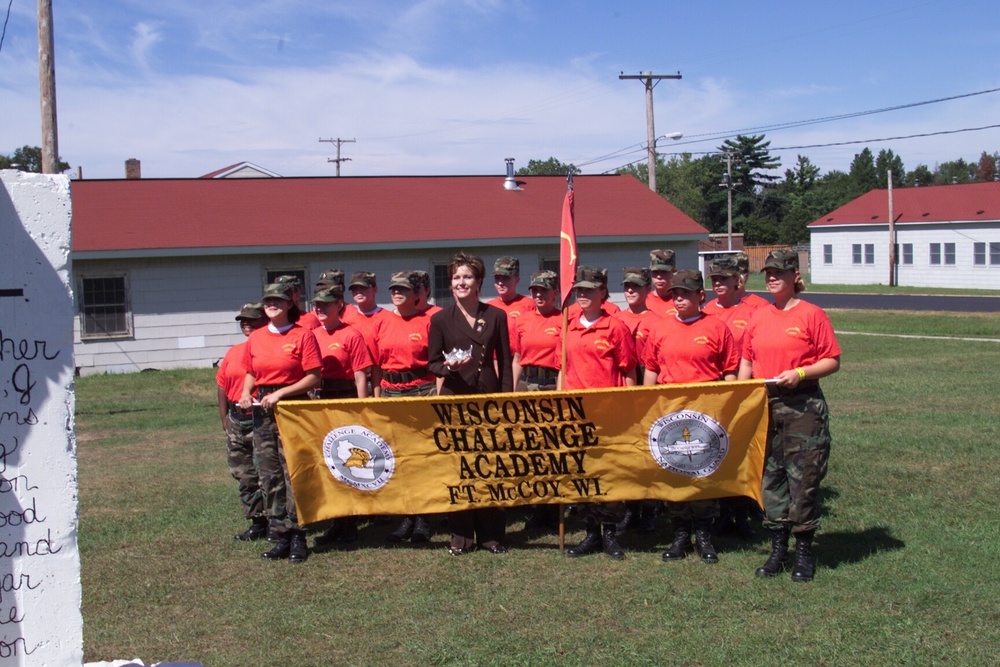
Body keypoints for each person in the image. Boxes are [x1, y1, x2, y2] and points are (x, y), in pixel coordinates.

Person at [738, 249, 841, 582]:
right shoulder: (758, 316)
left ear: (794, 276)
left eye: (779, 273)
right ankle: (778, 550)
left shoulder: (812, 315)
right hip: (765, 406)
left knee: (804, 480)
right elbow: (747, 362)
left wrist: (800, 372)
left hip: (802, 406)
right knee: (772, 478)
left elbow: (832, 361)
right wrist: (740, 394)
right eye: (768, 272)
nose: (771, 278)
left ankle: (804, 552)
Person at [643, 269, 740, 564]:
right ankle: (680, 533)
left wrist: (729, 407)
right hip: (669, 409)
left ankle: (704, 535)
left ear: (701, 296)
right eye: (676, 294)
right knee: (674, 469)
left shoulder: (717, 328)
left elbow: (730, 372)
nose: (679, 299)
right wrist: (647, 405)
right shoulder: (660, 327)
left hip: (706, 409)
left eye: (686, 293)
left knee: (702, 469)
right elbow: (650, 370)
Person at [428, 252, 513, 555]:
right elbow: (433, 362)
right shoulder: (439, 319)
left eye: (467, 277)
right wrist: (447, 368)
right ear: (450, 284)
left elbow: (504, 361)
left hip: (488, 397)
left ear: (478, 281)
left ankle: (491, 535)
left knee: (490, 465)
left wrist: (504, 401)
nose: (461, 282)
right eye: (456, 278)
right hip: (454, 397)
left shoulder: (496, 315)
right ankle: (460, 536)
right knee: (459, 467)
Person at [238, 283, 321, 564]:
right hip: (263, 409)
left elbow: (313, 377)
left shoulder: (303, 335)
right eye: (268, 300)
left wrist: (281, 394)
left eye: (278, 300)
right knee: (269, 472)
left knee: (292, 472)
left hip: (293, 407)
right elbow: (251, 372)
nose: (272, 304)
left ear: (288, 304)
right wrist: (245, 392)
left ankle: (299, 534)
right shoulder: (257, 337)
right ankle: (279, 533)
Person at [559, 266, 637, 560]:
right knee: (582, 472)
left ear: (602, 293)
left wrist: (627, 406)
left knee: (610, 472)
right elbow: (561, 369)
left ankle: (611, 534)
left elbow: (629, 369)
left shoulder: (615, 327)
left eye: (589, 290)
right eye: (579, 290)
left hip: (608, 413)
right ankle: (591, 532)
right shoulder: (568, 326)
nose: (582, 294)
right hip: (576, 412)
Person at [703, 255, 767, 539]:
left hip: (743, 387)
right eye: (714, 279)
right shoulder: (706, 310)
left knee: (740, 450)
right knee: (714, 451)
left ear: (736, 282)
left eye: (724, 279)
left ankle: (742, 513)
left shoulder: (753, 312)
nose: (718, 284)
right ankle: (719, 513)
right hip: (713, 388)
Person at [373, 271, 438, 545]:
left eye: (403, 289)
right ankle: (405, 517)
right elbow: (375, 365)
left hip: (422, 390)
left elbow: (438, 361)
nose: (397, 293)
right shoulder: (382, 322)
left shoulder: (430, 321)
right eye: (394, 289)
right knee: (397, 457)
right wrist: (376, 398)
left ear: (416, 294)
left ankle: (424, 519)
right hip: (390, 392)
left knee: (422, 456)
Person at [309, 284, 374, 549]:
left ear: (340, 306)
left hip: (345, 398)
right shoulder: (311, 334)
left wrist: (361, 409)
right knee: (326, 461)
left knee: (346, 461)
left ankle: (350, 524)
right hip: (319, 400)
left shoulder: (351, 334)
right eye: (317, 305)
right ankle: (336, 520)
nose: (320, 309)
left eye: (326, 304)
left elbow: (361, 374)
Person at [510, 270, 562, 530]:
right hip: (525, 385)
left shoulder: (563, 320)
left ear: (555, 293)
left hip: (551, 385)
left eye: (544, 290)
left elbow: (565, 362)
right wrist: (511, 391)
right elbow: (518, 357)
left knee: (550, 448)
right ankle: (536, 505)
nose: (539, 295)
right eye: (535, 290)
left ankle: (553, 508)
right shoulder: (523, 320)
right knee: (529, 448)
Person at [612, 267, 661, 534]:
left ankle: (651, 509)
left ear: (647, 290)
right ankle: (629, 508)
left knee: (648, 451)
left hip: (647, 381)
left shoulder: (658, 320)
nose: (630, 291)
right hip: (622, 384)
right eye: (627, 286)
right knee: (627, 451)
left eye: (637, 287)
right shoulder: (616, 318)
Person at [216, 302, 269, 542]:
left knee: (268, 474)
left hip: (262, 419)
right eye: (242, 321)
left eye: (252, 319)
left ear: (264, 321)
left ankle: (277, 523)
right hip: (236, 420)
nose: (246, 324)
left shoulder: (269, 349)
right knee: (244, 475)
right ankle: (257, 522)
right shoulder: (233, 352)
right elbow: (222, 386)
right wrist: (225, 420)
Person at [343, 271, 391, 396]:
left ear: (375, 289)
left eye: (363, 288)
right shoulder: (346, 319)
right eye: (355, 289)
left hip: (380, 380)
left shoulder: (387, 318)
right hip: (353, 382)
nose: (358, 292)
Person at [644, 249, 679, 317]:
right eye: (655, 272)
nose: (659, 276)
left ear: (673, 272)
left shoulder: (680, 300)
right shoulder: (643, 300)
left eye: (664, 272)